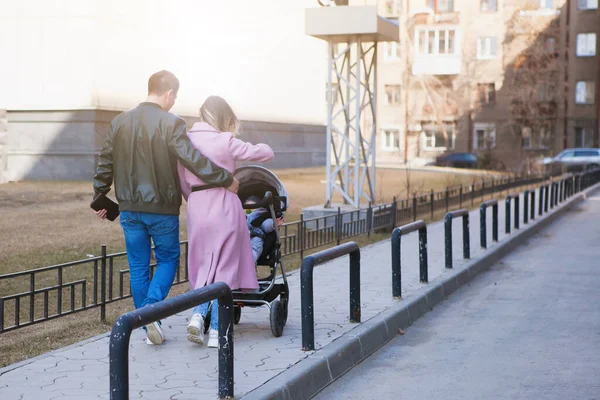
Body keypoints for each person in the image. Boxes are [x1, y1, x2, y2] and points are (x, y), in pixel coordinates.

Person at [92, 71, 239, 346]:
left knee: (137, 266)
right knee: (168, 259)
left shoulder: (119, 122)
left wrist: (100, 194)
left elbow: (105, 162)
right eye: (175, 96)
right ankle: (150, 314)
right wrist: (225, 178)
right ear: (169, 93)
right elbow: (193, 159)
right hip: (162, 208)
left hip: (129, 209)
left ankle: (149, 324)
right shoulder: (172, 124)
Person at [178, 95, 274, 348]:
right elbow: (261, 153)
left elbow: (182, 181)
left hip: (198, 205)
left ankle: (198, 316)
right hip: (224, 204)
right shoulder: (226, 140)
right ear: (223, 117)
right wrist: (265, 147)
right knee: (225, 268)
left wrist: (195, 199)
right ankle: (217, 332)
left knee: (203, 266)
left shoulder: (185, 140)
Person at [245, 196, 285, 264]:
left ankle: (249, 262)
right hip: (243, 235)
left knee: (255, 247)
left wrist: (273, 224)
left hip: (257, 236)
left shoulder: (264, 215)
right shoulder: (244, 216)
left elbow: (266, 225)